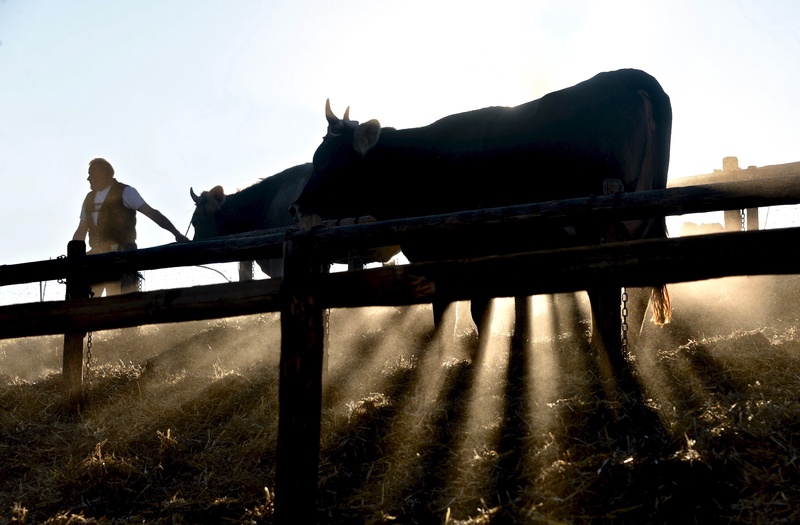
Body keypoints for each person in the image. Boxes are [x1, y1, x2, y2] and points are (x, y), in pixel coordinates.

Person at [72, 157, 189, 296]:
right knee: (87, 303)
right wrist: (73, 255)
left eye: (91, 174)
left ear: (103, 173)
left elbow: (152, 213)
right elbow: (81, 230)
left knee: (118, 302)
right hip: (95, 261)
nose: (88, 178)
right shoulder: (89, 198)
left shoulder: (126, 192)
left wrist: (176, 233)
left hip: (122, 260)